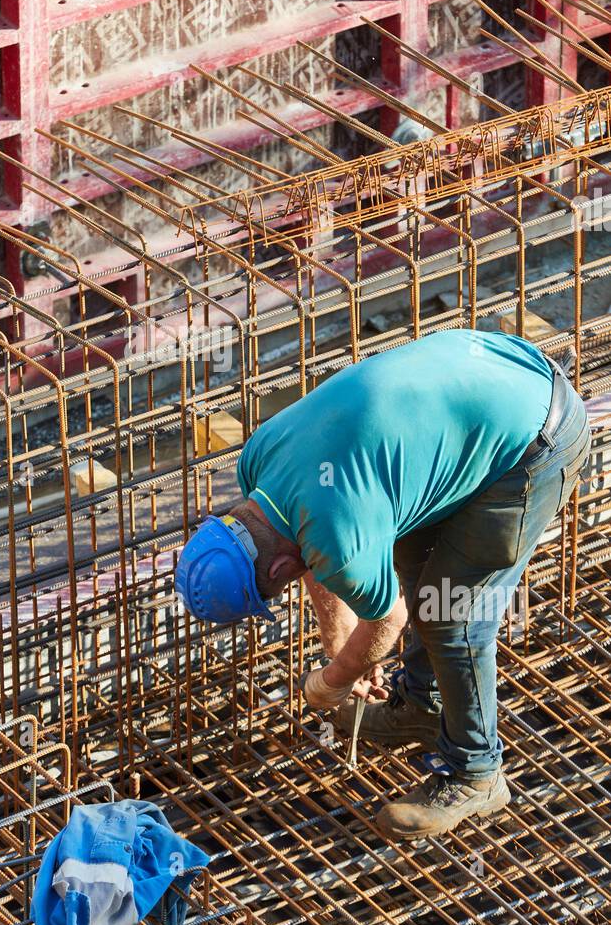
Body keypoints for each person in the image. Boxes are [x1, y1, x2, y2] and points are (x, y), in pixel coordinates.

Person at [175, 330, 591, 840]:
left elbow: (385, 617)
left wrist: (331, 680)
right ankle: (422, 706)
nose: (284, 588)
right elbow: (311, 543)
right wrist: (337, 641)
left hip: (533, 439)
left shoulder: (335, 537)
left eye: (275, 590)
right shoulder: (258, 465)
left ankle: (477, 772)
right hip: (484, 382)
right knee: (413, 563)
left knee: (449, 613)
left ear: (280, 573)